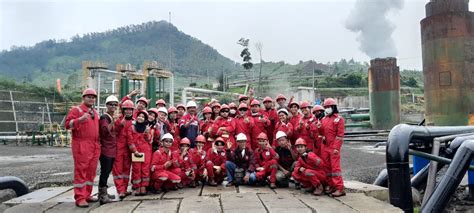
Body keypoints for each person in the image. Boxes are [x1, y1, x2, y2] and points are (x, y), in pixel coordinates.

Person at [65, 88, 100, 208]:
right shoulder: (77, 110)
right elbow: (67, 124)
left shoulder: (94, 112)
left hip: (94, 145)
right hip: (82, 144)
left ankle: (87, 194)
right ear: (83, 97)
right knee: (81, 171)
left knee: (91, 172)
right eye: (89, 96)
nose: (91, 99)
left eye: (93, 97)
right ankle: (80, 197)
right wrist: (79, 120)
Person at [320, 98, 346, 197]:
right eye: (325, 107)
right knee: (326, 168)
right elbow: (321, 133)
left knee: (335, 168)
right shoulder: (324, 119)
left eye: (328, 107)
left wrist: (336, 148)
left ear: (333, 107)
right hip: (325, 147)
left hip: (333, 147)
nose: (327, 109)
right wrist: (319, 128)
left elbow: (340, 136)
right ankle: (331, 186)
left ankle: (340, 188)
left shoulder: (339, 119)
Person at [97, 95, 119, 205]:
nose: (113, 106)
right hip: (106, 149)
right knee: (105, 172)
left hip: (111, 149)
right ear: (106, 105)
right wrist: (113, 122)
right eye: (111, 104)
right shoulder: (104, 117)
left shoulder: (110, 116)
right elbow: (104, 131)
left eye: (115, 104)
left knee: (107, 171)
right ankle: (102, 195)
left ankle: (102, 193)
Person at [112, 99, 134, 199]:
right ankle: (120, 190)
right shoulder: (118, 120)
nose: (128, 111)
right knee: (118, 170)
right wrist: (120, 125)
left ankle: (124, 189)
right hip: (119, 149)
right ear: (123, 110)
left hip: (129, 149)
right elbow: (113, 132)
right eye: (126, 109)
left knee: (126, 169)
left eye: (130, 110)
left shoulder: (134, 122)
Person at [127, 110, 152, 196]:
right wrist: (135, 151)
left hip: (146, 151)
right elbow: (130, 141)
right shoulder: (131, 127)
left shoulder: (147, 128)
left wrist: (147, 133)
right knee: (136, 169)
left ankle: (143, 187)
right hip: (136, 151)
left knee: (145, 169)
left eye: (142, 117)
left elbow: (149, 140)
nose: (140, 118)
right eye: (139, 116)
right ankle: (137, 187)